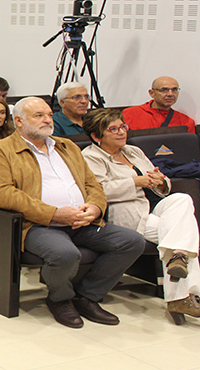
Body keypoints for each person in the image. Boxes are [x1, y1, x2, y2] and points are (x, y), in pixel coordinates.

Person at [0, 97, 145, 328]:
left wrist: (95, 207)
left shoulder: (66, 146)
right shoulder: (0, 151)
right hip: (38, 224)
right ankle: (60, 299)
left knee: (132, 241)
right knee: (65, 254)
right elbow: (2, 194)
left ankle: (88, 297)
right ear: (18, 121)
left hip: (82, 221)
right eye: (39, 116)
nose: (48, 120)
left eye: (49, 114)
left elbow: (92, 184)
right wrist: (54, 214)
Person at [81, 108, 200, 321]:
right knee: (180, 236)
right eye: (113, 129)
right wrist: (134, 182)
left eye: (123, 127)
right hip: (129, 211)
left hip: (153, 204)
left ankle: (179, 268)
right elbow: (98, 191)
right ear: (97, 136)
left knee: (182, 200)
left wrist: (161, 181)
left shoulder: (132, 151)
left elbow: (160, 181)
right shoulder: (91, 157)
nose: (121, 132)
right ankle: (184, 295)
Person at [123, 76, 196, 133]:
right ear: (152, 93)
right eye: (164, 90)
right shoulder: (129, 114)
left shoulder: (186, 122)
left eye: (174, 90)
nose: (170, 94)